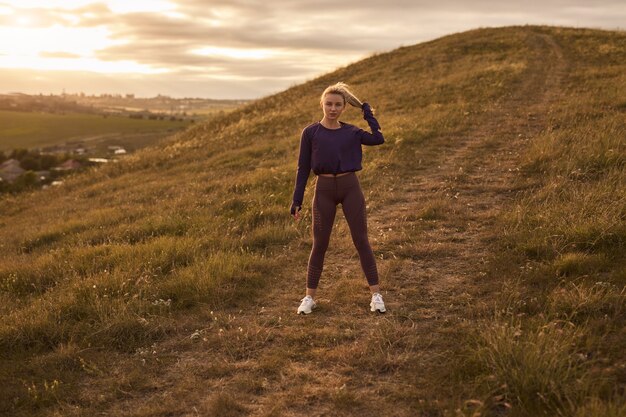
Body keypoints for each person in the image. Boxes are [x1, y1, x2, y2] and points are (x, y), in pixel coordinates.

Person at [290, 82, 386, 315]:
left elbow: (378, 139)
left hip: (350, 187)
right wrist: (297, 200)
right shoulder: (310, 133)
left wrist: (367, 112)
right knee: (319, 245)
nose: (332, 109)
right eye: (329, 104)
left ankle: (376, 295)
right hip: (323, 190)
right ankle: (309, 298)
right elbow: (303, 168)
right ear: (322, 104)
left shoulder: (352, 132)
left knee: (361, 240)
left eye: (338, 105)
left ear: (344, 107)